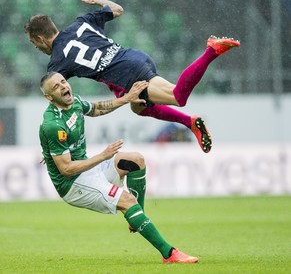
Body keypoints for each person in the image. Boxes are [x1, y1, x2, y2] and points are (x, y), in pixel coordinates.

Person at [25, 0, 240, 154]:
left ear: (40, 38)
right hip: (134, 57)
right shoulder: (81, 22)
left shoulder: (56, 63)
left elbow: (58, 98)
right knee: (139, 108)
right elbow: (117, 9)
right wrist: (100, 1)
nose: (37, 48)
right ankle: (190, 122)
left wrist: (52, 143)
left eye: (35, 44)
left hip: (127, 75)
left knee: (178, 96)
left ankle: (211, 51)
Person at [39, 71, 199, 264]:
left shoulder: (75, 102)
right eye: (56, 87)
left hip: (87, 168)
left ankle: (136, 219)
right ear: (48, 97)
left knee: (136, 160)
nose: (63, 87)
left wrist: (127, 98)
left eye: (63, 82)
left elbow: (97, 108)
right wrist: (103, 156)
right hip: (72, 184)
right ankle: (169, 254)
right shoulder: (53, 125)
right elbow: (66, 169)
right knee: (127, 200)